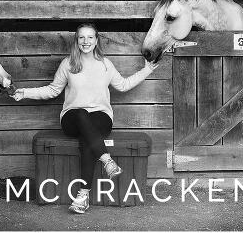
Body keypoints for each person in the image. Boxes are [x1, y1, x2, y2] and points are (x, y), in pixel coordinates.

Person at [10, 23, 158, 214]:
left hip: (101, 118)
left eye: (90, 37)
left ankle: (83, 195)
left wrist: (147, 70)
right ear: (77, 40)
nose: (86, 41)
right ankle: (107, 160)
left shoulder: (105, 64)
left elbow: (123, 85)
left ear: (96, 40)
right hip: (72, 118)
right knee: (81, 114)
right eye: (81, 37)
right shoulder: (68, 64)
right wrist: (25, 93)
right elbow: (53, 90)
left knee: (88, 138)